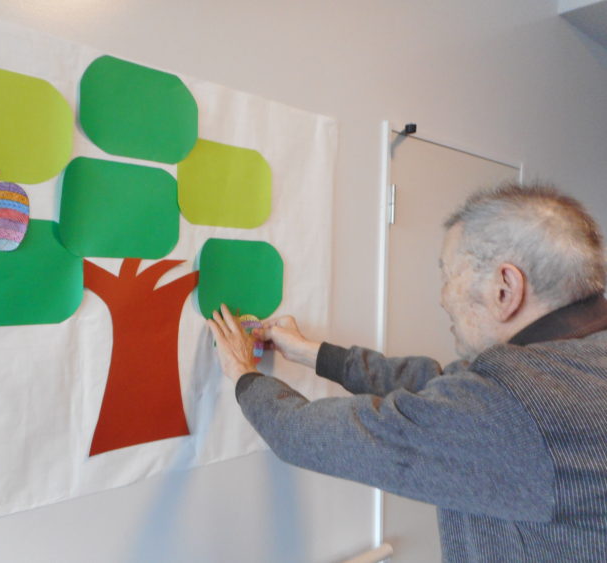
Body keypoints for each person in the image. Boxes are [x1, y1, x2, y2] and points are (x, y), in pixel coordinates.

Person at [207, 183, 607, 562]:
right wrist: (317, 355)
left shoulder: (516, 407)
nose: (443, 297)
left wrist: (244, 372)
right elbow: (445, 383)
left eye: (448, 275)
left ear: (505, 288)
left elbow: (304, 435)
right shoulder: (575, 357)